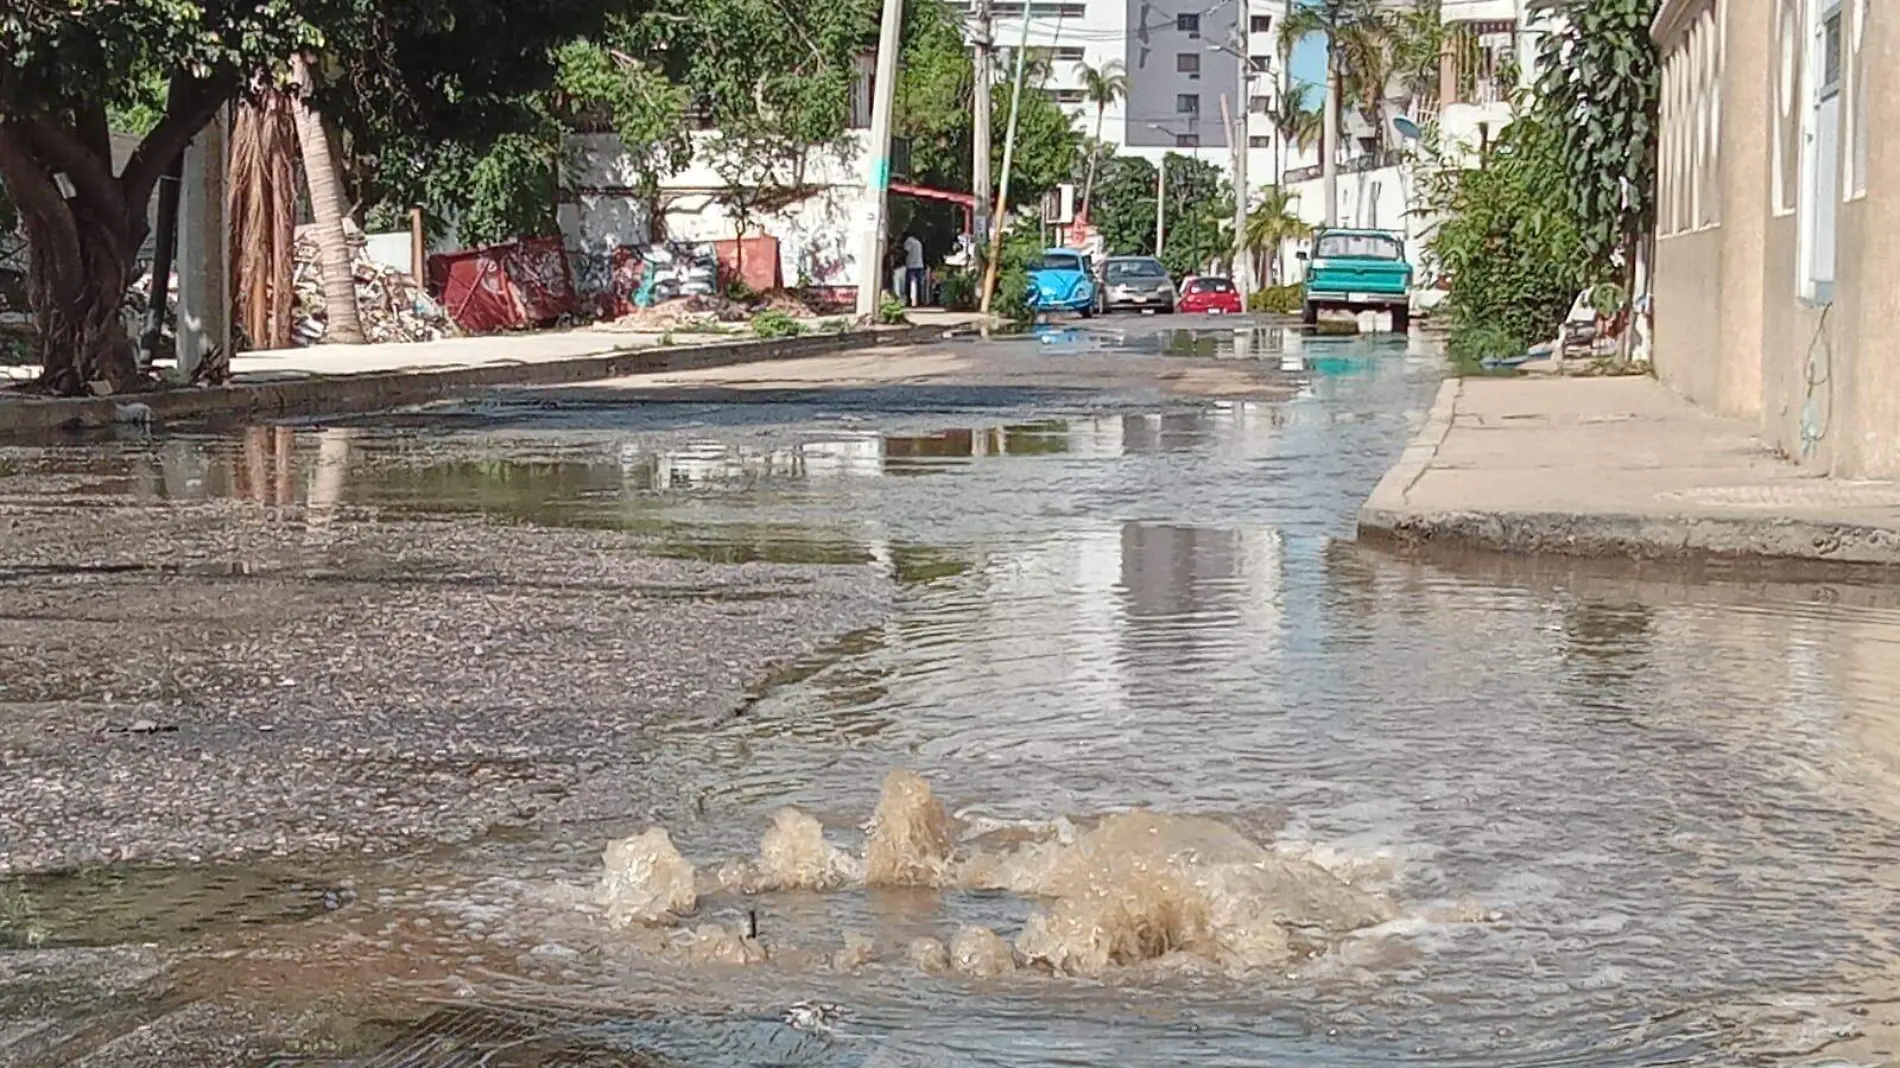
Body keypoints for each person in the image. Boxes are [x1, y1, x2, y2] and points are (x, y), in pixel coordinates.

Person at [902, 233, 926, 307]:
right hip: (920, 265)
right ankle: (919, 301)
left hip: (911, 265)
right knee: (919, 284)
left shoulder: (908, 241)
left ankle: (909, 301)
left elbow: (906, 251)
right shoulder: (918, 242)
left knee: (908, 284)